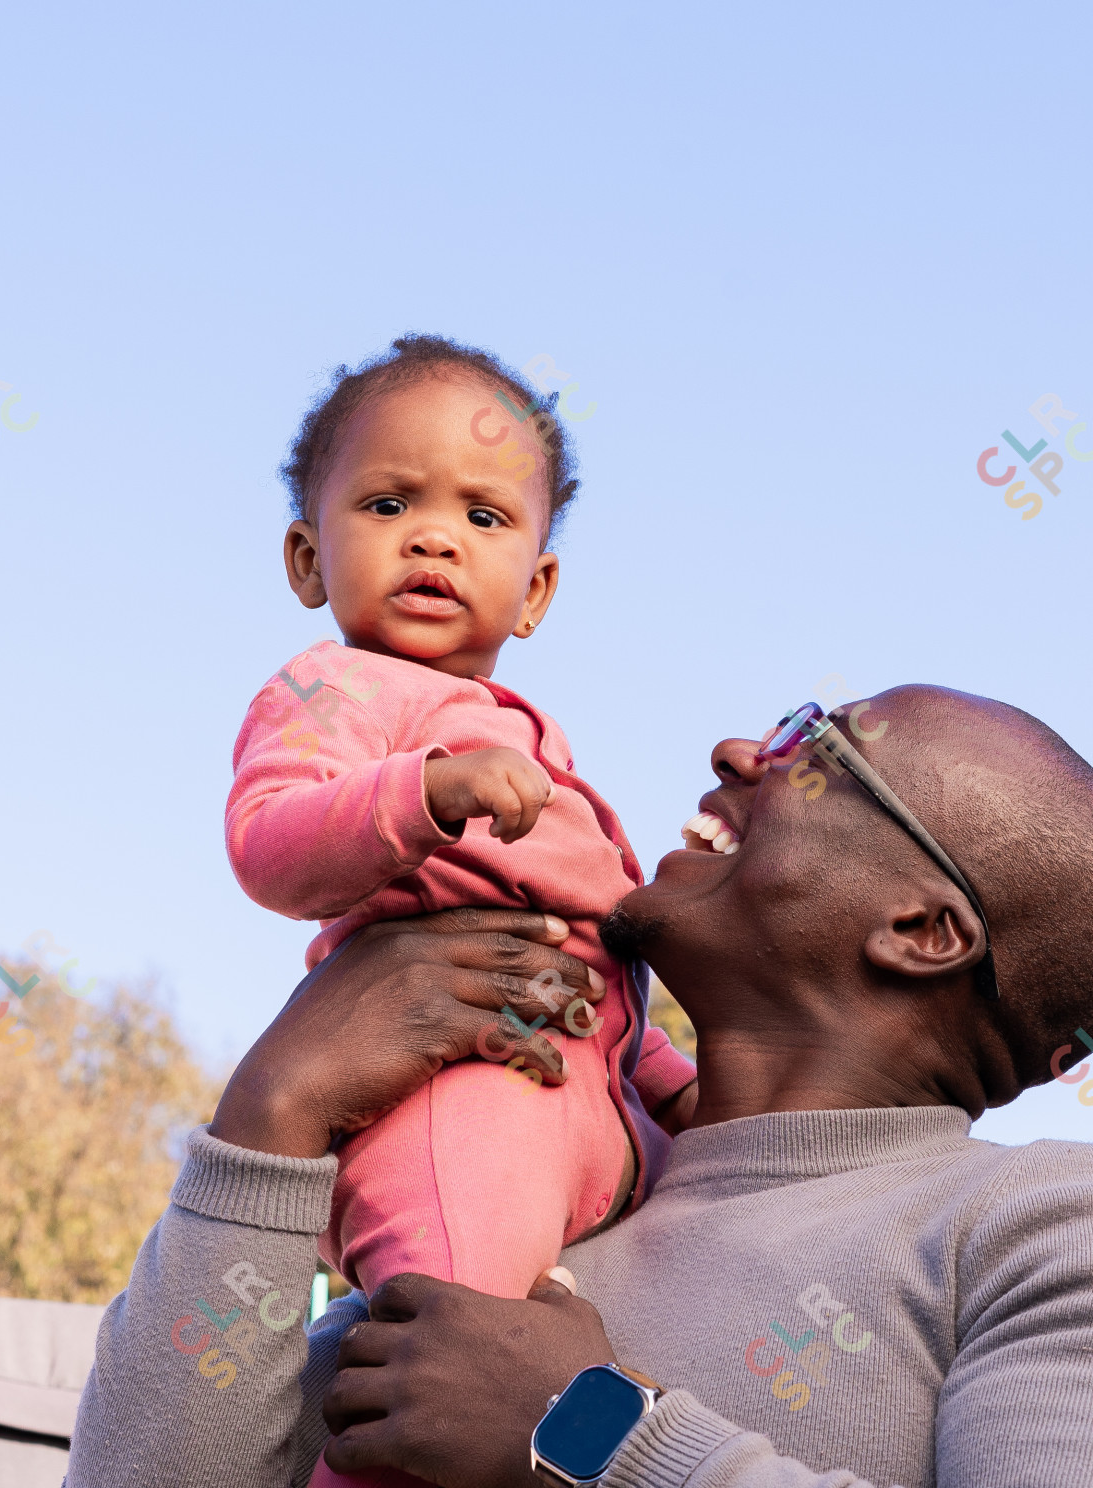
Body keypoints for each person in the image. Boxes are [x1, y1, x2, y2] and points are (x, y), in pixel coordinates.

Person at [69, 686, 1093, 1488]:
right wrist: (269, 1122)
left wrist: (587, 1428)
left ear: (920, 928)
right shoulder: (523, 1226)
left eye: (821, 748)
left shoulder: (1077, 1231)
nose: (740, 752)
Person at [224, 335, 699, 1488]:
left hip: (587, 1110)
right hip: (462, 1104)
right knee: (448, 1346)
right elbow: (270, 846)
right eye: (389, 503)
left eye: (486, 518)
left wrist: (691, 1099)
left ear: (535, 588)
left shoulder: (539, 738)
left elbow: (604, 996)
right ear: (306, 557)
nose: (436, 536)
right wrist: (417, 796)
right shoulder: (333, 691)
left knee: (583, 1339)